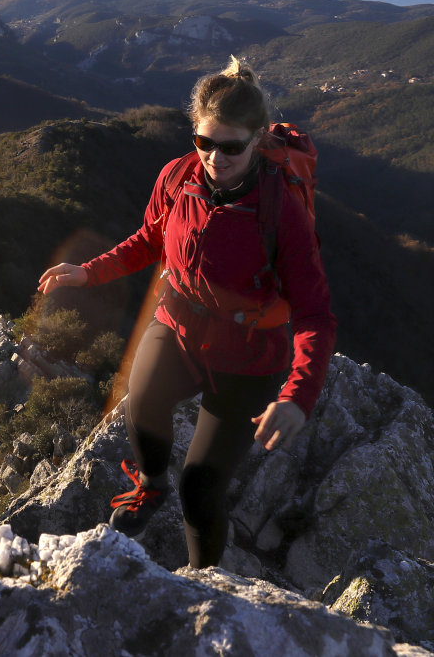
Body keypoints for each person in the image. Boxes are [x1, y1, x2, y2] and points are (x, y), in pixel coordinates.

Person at [36, 56, 336, 569]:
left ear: (258, 140)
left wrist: (298, 396)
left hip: (247, 358)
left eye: (232, 146)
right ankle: (151, 485)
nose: (215, 157)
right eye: (204, 142)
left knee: (200, 488)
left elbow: (314, 313)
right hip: (178, 326)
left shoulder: (280, 211)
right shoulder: (178, 176)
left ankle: (207, 584)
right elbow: (151, 238)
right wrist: (91, 272)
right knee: (141, 405)